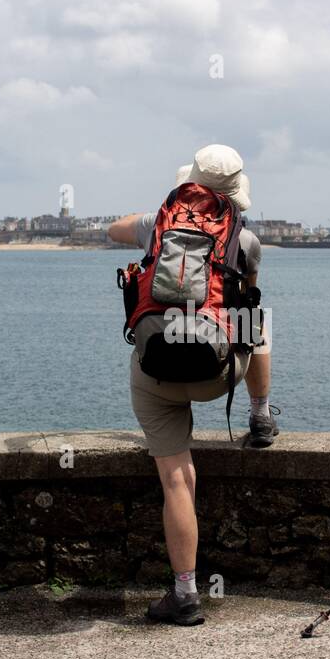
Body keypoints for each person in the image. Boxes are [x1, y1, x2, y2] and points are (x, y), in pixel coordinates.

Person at [107, 144, 278, 625]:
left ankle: (184, 594)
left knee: (176, 478)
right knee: (256, 320)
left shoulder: (155, 226)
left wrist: (155, 224)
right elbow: (244, 299)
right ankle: (260, 416)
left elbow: (112, 228)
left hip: (157, 374)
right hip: (217, 373)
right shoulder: (246, 241)